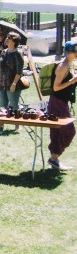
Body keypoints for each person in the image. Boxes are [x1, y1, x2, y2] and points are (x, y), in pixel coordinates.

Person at [48, 42, 77, 171]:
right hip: (57, 102)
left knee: (60, 131)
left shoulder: (70, 65)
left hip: (62, 102)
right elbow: (56, 87)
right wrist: (72, 81)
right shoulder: (63, 66)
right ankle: (54, 157)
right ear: (69, 52)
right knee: (68, 130)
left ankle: (54, 158)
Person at [0, 32, 25, 132]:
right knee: (2, 105)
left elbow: (19, 71)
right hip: (1, 82)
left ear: (14, 41)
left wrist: (14, 84)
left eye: (9, 38)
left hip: (12, 83)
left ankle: (17, 125)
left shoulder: (18, 54)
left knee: (14, 105)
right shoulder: (4, 52)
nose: (6, 39)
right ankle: (1, 125)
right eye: (7, 37)